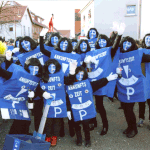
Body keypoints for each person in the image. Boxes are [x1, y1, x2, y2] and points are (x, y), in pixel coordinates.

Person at [84, 22, 125, 135]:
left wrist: (119, 35)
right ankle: (94, 122)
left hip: (102, 82)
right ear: (97, 42)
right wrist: (87, 64)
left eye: (104, 40)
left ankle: (105, 125)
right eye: (100, 40)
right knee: (91, 103)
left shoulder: (108, 51)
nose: (102, 42)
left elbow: (115, 46)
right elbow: (88, 69)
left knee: (100, 105)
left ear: (106, 42)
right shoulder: (91, 52)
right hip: (92, 81)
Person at [66, 63, 118, 147]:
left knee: (86, 125)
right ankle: (79, 139)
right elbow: (68, 98)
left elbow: (98, 83)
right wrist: (68, 109)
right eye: (78, 74)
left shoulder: (87, 84)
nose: (80, 76)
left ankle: (87, 140)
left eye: (82, 74)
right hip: (75, 110)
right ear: (74, 75)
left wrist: (107, 79)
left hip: (85, 110)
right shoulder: (70, 85)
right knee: (76, 125)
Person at [116, 35, 150, 138]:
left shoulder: (137, 54)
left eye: (129, 43)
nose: (126, 45)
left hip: (133, 86)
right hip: (122, 86)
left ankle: (134, 129)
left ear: (132, 45)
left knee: (129, 109)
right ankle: (129, 127)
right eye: (125, 42)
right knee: (125, 109)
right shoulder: (119, 54)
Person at [0, 58, 42, 135]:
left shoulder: (38, 78)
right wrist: (8, 60)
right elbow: (3, 73)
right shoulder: (19, 72)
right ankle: (13, 138)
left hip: (21, 102)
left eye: (36, 68)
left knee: (26, 120)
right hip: (7, 99)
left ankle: (23, 135)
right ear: (27, 67)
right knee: (19, 121)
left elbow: (39, 91)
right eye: (32, 67)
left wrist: (34, 94)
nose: (34, 70)